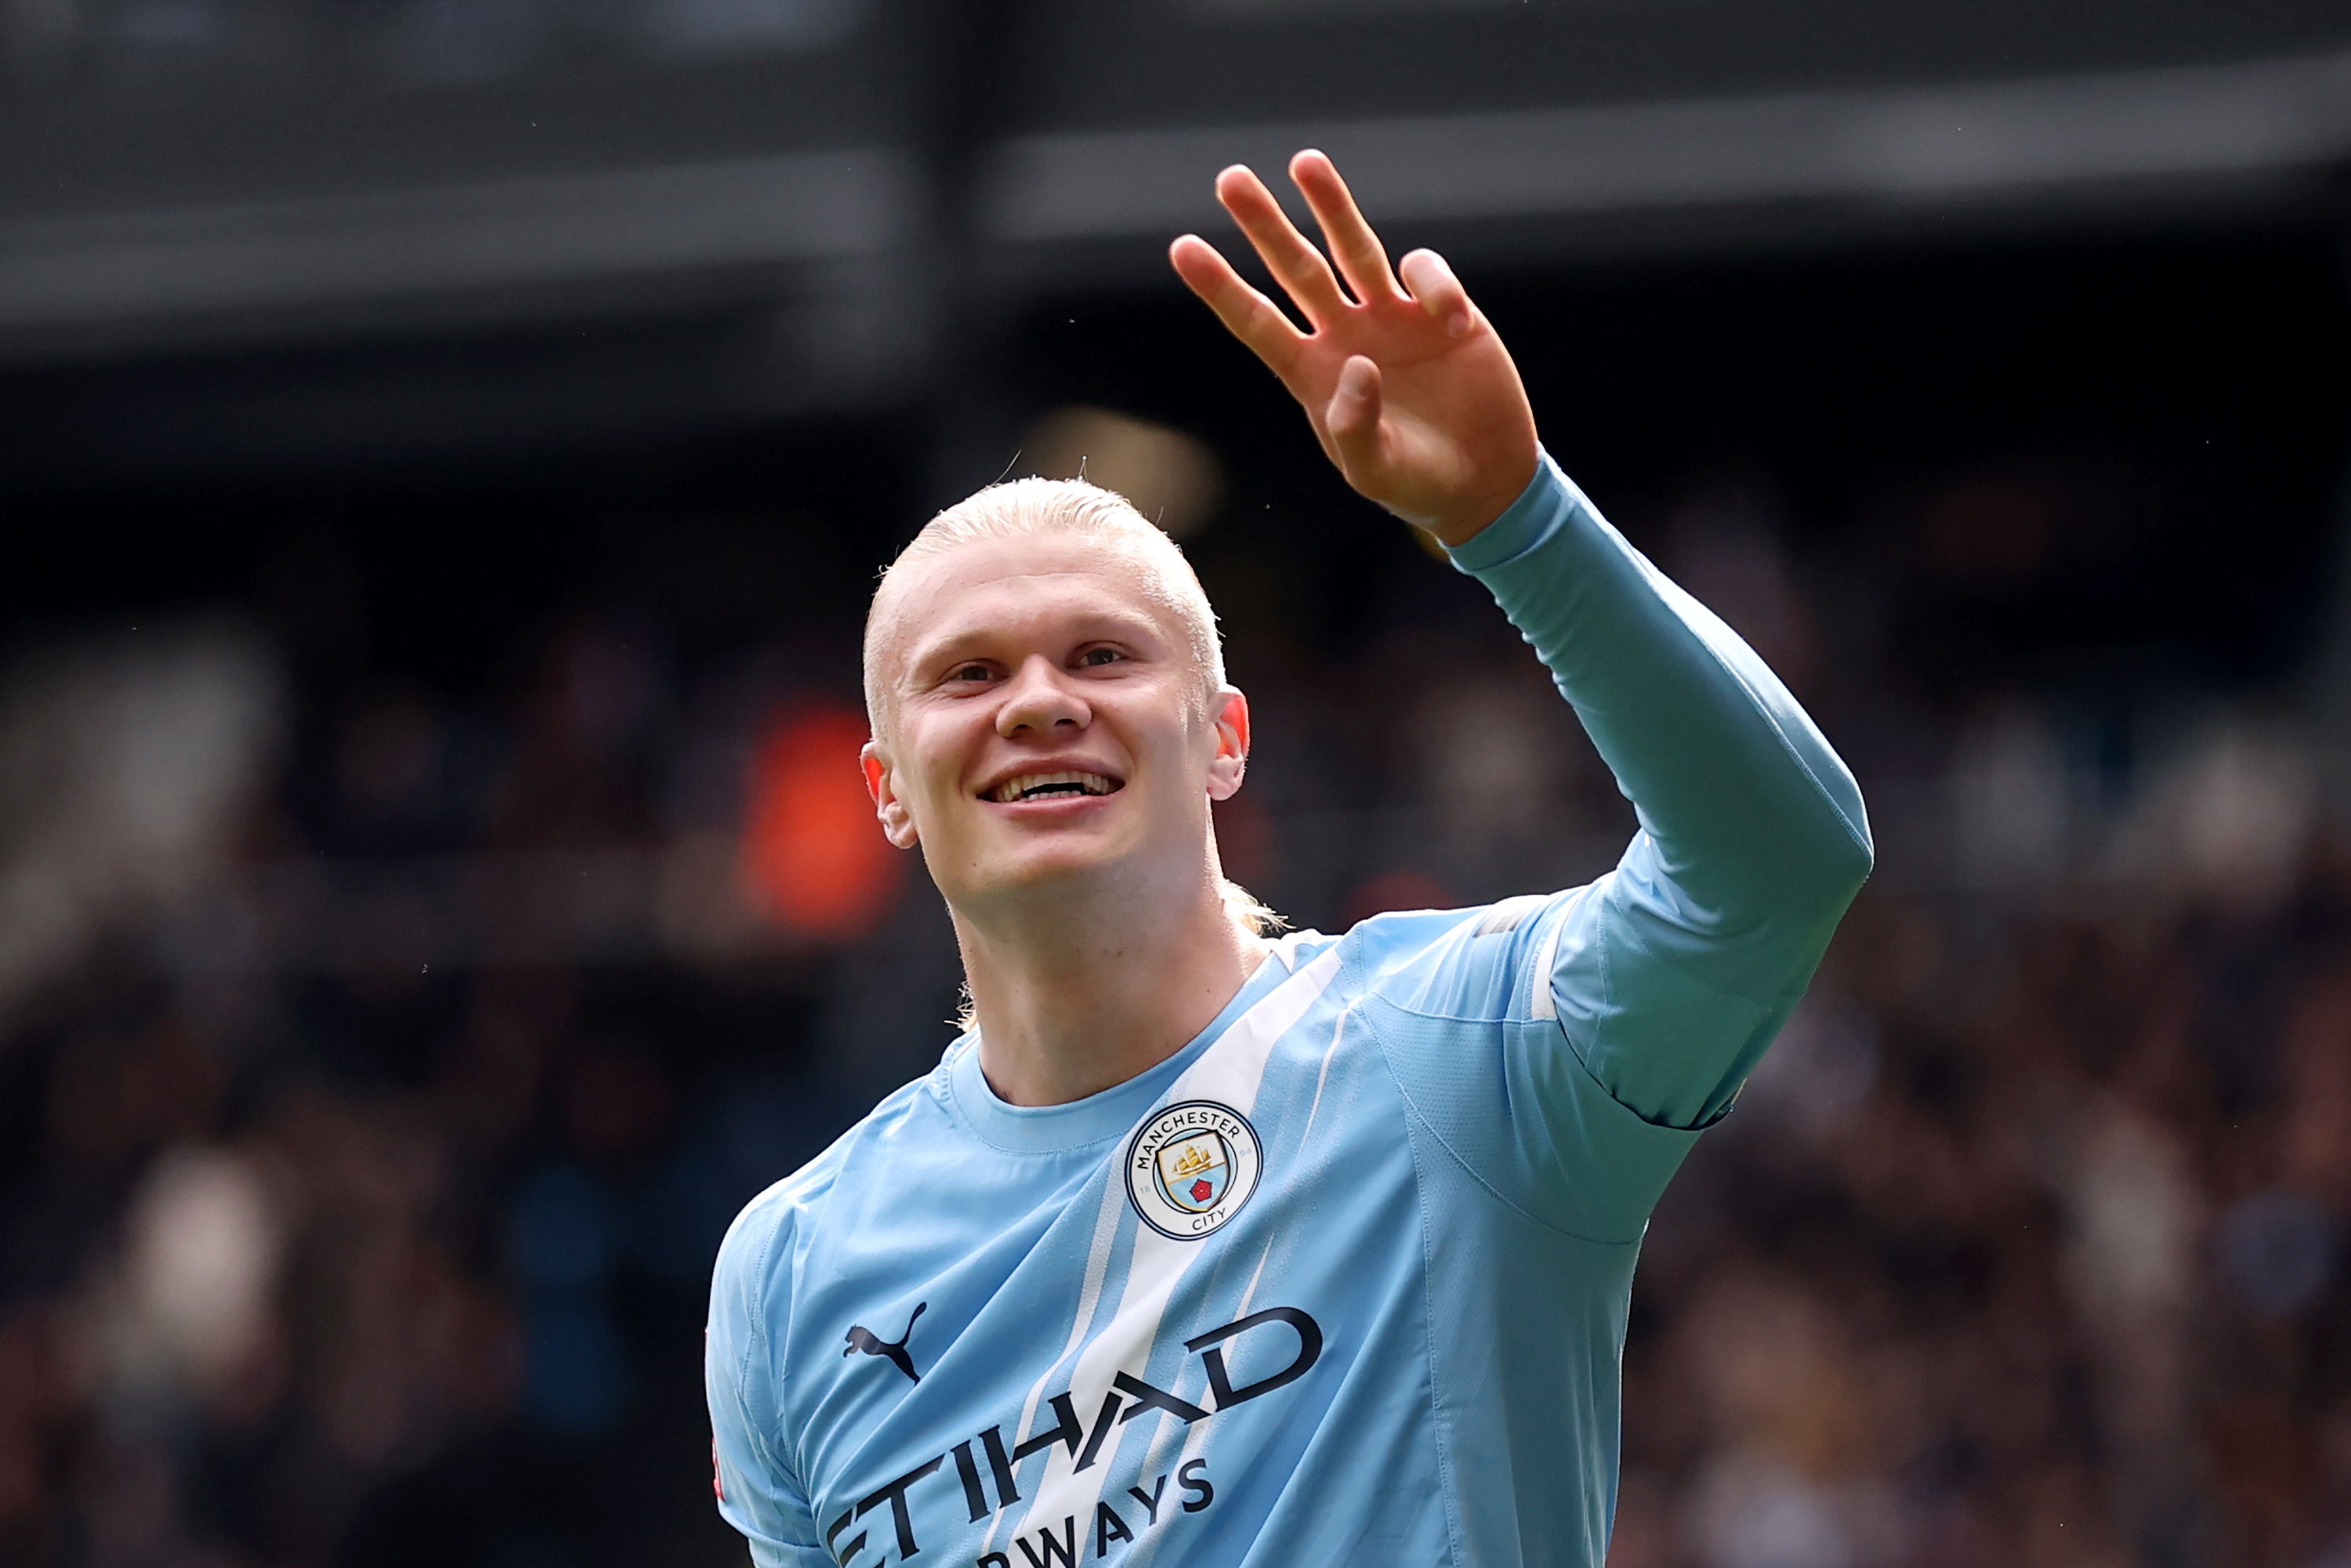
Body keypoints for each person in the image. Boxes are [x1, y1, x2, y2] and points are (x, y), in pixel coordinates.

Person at [706, 150, 1871, 1568]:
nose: (1037, 699)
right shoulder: (789, 1271)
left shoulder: (1451, 1053)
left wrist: (1520, 524)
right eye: (967, 673)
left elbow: (1776, 868)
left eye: (1102, 653)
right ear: (888, 792)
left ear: (1224, 742)